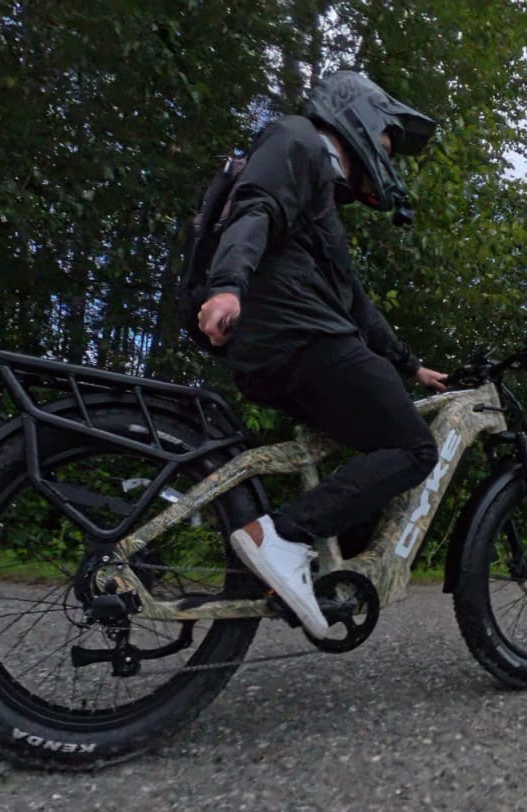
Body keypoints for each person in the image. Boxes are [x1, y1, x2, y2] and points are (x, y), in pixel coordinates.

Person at [195, 70, 447, 639]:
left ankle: (320, 572)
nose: (388, 156)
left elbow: (352, 300)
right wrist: (227, 284)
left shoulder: (321, 202)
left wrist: (408, 365)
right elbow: (254, 207)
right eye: (387, 141)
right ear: (358, 117)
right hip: (297, 334)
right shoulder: (299, 140)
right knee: (412, 448)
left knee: (376, 444)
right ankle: (282, 536)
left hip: (292, 339)